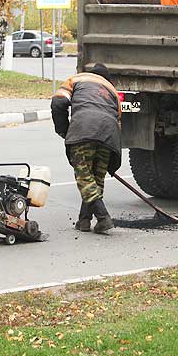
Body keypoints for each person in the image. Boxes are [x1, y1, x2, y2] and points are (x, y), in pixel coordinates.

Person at [51, 63, 121, 234]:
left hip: (84, 129)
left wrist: (64, 130)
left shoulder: (76, 79)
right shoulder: (112, 91)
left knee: (84, 177)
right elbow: (118, 119)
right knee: (96, 178)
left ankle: (103, 217)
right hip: (109, 135)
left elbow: (58, 102)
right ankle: (84, 220)